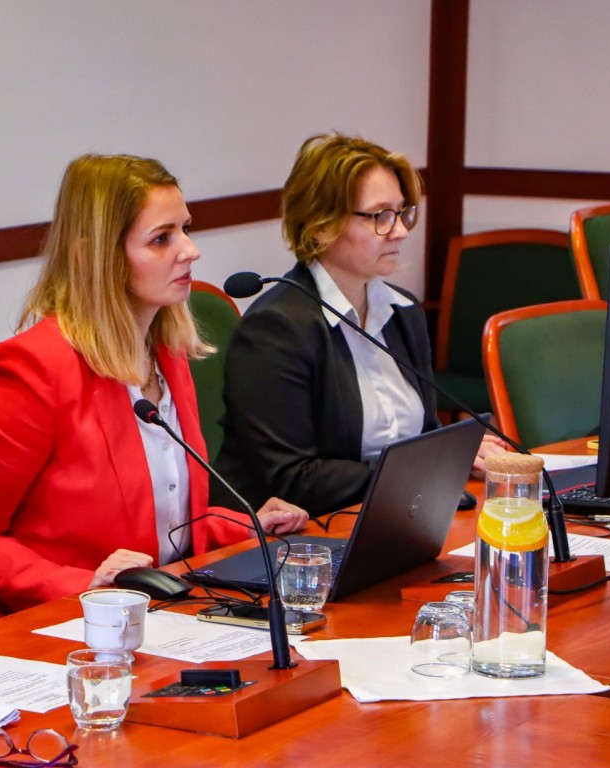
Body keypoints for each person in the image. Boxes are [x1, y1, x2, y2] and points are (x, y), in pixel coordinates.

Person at [0, 153, 308, 619]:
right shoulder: (31, 368)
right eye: (162, 238)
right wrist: (85, 587)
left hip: (162, 612)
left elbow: (164, 526)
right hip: (55, 628)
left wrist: (247, 526)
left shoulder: (165, 352)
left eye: (186, 229)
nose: (191, 250)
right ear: (97, 257)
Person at [213, 133, 504, 515]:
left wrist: (456, 453)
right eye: (380, 216)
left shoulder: (403, 311)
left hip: (392, 515)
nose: (400, 231)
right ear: (320, 225)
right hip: (297, 534)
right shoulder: (276, 328)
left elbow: (424, 433)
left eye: (401, 213)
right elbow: (291, 478)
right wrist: (419, 473)